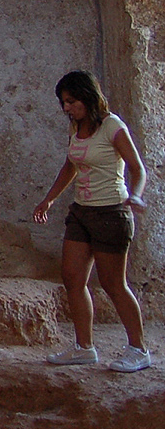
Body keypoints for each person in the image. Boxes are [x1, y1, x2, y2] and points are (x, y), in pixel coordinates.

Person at [32, 70, 151, 371]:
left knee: (113, 284)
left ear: (87, 97)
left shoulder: (112, 126)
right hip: (81, 213)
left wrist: (135, 195)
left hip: (111, 213)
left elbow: (137, 169)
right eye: (63, 102)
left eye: (71, 101)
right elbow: (70, 165)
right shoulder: (76, 128)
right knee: (73, 278)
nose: (66, 108)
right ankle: (84, 347)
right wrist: (50, 198)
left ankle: (139, 349)